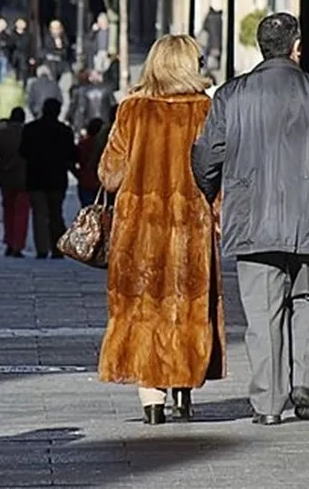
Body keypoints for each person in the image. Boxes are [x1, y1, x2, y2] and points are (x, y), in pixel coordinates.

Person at [192, 13, 309, 426]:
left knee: (263, 311)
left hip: (252, 218)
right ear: (297, 46)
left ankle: (269, 403)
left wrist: (214, 192)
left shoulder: (231, 97)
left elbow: (206, 156)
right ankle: (305, 384)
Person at [98, 35, 225, 425]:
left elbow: (110, 172)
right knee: (187, 309)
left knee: (143, 309)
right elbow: (217, 171)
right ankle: (183, 393)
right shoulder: (205, 109)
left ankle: (152, 402)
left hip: (139, 233)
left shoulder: (132, 109)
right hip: (192, 229)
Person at [19, 98, 77, 259]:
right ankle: (58, 248)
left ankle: (42, 248)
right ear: (58, 111)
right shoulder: (64, 131)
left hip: (35, 177)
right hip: (57, 178)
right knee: (56, 213)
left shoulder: (30, 129)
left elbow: (23, 151)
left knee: (39, 214)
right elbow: (72, 154)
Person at [0, 107, 29, 257]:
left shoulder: (0, 133)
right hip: (25, 179)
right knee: (21, 213)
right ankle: (18, 244)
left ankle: (9, 241)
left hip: (6, 178)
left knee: (8, 211)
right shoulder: (27, 134)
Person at [75, 118, 104, 207]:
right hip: (101, 183)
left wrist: (79, 174)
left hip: (85, 182)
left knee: (87, 210)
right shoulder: (105, 145)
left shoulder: (83, 144)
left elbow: (75, 160)